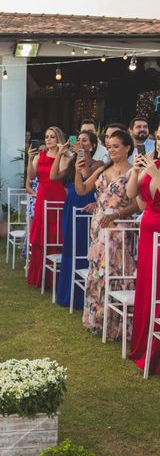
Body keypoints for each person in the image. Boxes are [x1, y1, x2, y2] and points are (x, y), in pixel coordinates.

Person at [74, 130, 139, 339]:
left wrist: (116, 214)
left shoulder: (133, 172)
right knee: (97, 271)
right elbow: (82, 189)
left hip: (119, 229)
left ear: (127, 147)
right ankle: (97, 320)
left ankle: (116, 325)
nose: (111, 150)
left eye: (115, 146)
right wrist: (77, 170)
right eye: (109, 146)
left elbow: (136, 203)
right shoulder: (104, 168)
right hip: (99, 228)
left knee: (115, 271)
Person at [49, 130, 101, 309]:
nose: (80, 143)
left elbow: (86, 177)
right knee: (70, 247)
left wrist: (82, 155)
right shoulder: (72, 163)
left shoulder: (98, 164)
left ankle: (82, 295)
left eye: (85, 141)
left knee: (83, 246)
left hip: (86, 204)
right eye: (78, 140)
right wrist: (60, 154)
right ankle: (66, 293)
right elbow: (53, 176)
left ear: (93, 146)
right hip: (70, 205)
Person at [127, 128, 160, 374]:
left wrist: (155, 174)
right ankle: (143, 343)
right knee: (147, 288)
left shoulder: (155, 168)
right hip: (148, 234)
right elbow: (134, 197)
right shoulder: (153, 163)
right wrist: (136, 172)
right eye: (159, 137)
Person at [26, 127, 68, 288]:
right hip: (42, 196)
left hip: (57, 196)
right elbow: (31, 176)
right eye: (46, 137)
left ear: (58, 139)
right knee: (42, 232)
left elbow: (57, 175)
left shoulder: (65, 157)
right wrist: (30, 159)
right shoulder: (40, 155)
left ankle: (56, 277)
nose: (49, 139)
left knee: (56, 232)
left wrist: (59, 154)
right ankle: (39, 275)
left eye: (52, 137)